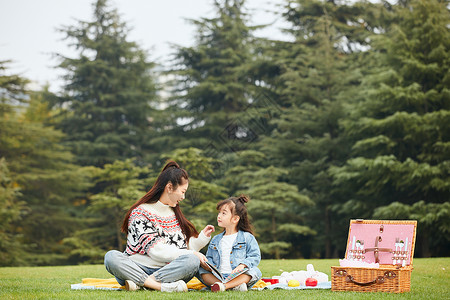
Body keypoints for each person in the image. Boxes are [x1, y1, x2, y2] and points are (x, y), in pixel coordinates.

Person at [104, 160, 215, 292]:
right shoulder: (140, 213)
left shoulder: (174, 213)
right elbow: (157, 251)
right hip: (137, 267)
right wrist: (192, 253)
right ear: (169, 188)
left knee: (192, 261)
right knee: (111, 257)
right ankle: (158, 286)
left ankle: (142, 284)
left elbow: (180, 250)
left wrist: (201, 239)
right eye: (182, 191)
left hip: (167, 270)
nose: (184, 197)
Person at [199, 195, 262, 292]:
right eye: (219, 212)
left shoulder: (247, 237)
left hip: (237, 275)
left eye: (224, 213)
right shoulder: (216, 239)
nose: (219, 216)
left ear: (235, 219)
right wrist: (208, 265)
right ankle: (233, 286)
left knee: (255, 271)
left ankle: (224, 286)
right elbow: (210, 257)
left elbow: (255, 256)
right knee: (200, 270)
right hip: (218, 276)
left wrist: (242, 265)